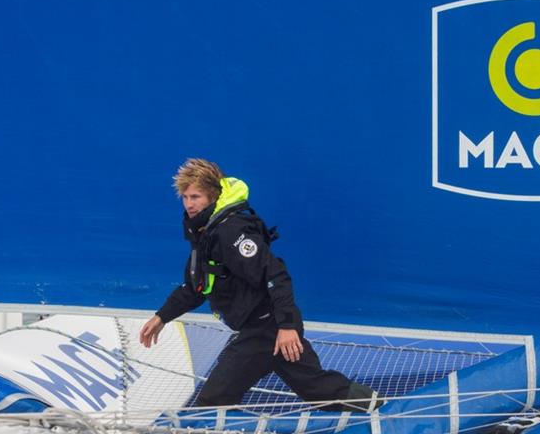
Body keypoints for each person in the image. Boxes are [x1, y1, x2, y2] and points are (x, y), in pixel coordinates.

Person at [139, 158, 378, 411]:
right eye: (185, 198)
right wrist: (162, 317)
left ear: (212, 197)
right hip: (268, 328)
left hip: (266, 329)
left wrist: (286, 326)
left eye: (196, 197)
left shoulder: (229, 232)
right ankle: (379, 408)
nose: (189, 204)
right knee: (317, 388)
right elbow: (196, 289)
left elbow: (276, 276)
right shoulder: (205, 233)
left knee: (213, 401)